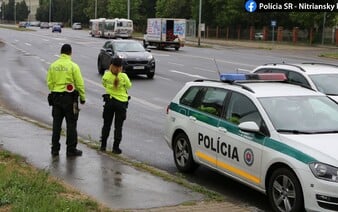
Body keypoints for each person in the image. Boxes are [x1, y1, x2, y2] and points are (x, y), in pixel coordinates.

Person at [46, 44, 86, 157]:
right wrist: (82, 98)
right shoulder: (73, 66)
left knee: (56, 124)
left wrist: (56, 91)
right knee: (71, 124)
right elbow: (79, 84)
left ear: (61, 52)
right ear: (70, 53)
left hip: (56, 98)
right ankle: (71, 149)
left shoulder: (53, 66)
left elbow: (49, 82)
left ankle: (55, 149)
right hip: (70, 99)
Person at [100, 56, 132, 154]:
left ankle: (103, 145)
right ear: (121, 67)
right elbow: (129, 86)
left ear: (111, 66)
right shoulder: (123, 77)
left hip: (109, 102)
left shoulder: (106, 75)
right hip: (121, 103)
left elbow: (104, 84)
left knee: (106, 124)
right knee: (118, 126)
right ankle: (115, 147)